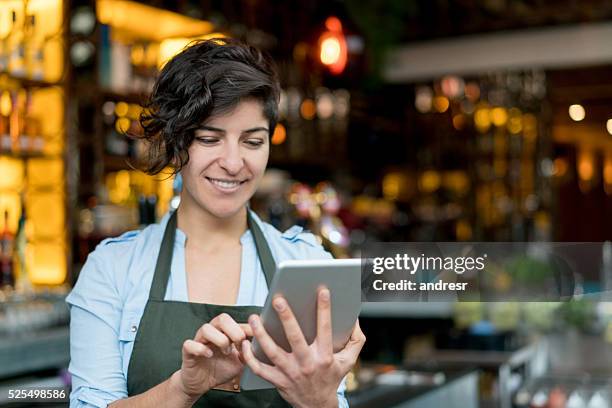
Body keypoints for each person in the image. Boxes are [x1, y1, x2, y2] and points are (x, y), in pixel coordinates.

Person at [66, 38, 366, 408]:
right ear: (176, 143)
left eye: (253, 142)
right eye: (210, 138)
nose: (234, 162)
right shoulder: (112, 270)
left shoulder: (309, 266)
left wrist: (318, 400)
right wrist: (183, 388)